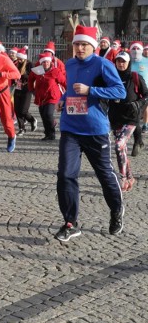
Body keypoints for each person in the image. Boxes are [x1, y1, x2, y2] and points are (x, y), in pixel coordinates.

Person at [54, 25, 126, 242]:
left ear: (93, 46)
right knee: (65, 174)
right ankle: (70, 222)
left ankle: (116, 209)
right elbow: (70, 89)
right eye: (76, 44)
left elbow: (119, 91)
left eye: (84, 44)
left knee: (104, 175)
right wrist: (63, 100)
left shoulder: (103, 64)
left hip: (95, 130)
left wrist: (91, 90)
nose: (80, 48)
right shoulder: (70, 63)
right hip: (70, 128)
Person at [108, 51, 148, 192]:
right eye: (118, 61)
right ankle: (130, 176)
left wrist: (139, 104)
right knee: (122, 148)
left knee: (119, 144)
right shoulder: (111, 77)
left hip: (131, 118)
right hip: (115, 118)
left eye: (123, 61)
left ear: (128, 62)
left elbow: (146, 94)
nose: (121, 63)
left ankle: (123, 178)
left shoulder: (135, 77)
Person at [28, 52, 66, 141]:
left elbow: (64, 82)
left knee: (48, 114)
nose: (46, 64)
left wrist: (70, 93)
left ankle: (52, 133)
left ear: (50, 62)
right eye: (44, 62)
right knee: (43, 115)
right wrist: (32, 90)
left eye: (47, 62)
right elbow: (30, 80)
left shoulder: (55, 71)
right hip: (41, 97)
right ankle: (47, 133)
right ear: (41, 63)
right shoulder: (37, 71)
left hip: (52, 96)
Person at [12, 46, 37, 135]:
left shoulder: (29, 64)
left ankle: (32, 120)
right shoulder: (16, 64)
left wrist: (22, 76)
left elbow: (33, 76)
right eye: (18, 59)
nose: (18, 60)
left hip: (27, 89)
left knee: (23, 110)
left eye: (20, 59)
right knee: (17, 109)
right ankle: (22, 128)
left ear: (24, 58)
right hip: (18, 89)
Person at [129, 41, 148, 155]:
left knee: (136, 116)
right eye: (133, 48)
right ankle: (138, 140)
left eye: (138, 48)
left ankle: (138, 140)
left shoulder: (146, 62)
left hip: (144, 93)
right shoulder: (126, 61)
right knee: (134, 117)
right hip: (130, 93)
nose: (136, 50)